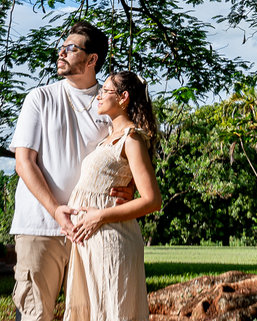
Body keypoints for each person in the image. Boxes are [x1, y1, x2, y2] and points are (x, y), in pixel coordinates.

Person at [9, 20, 131, 321]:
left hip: (93, 231)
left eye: (70, 48)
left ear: (92, 60)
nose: (61, 53)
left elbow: (126, 153)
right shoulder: (40, 98)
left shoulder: (110, 104)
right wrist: (56, 211)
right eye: (62, 47)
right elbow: (24, 162)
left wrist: (129, 188)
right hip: (41, 227)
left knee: (89, 314)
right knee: (34, 314)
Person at [61, 70, 162, 321]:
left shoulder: (132, 138)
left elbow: (152, 200)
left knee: (113, 310)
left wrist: (100, 216)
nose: (98, 96)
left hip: (112, 239)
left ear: (123, 97)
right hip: (89, 242)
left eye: (105, 91)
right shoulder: (106, 141)